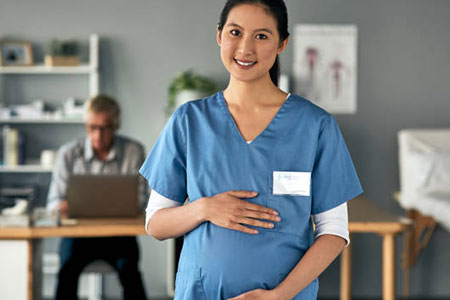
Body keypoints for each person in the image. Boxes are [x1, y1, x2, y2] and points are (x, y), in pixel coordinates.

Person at [140, 0, 363, 299]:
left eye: (261, 36)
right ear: (219, 35)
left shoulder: (315, 125)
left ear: (282, 43)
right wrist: (205, 208)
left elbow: (334, 231)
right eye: (235, 32)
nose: (245, 48)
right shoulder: (189, 121)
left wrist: (279, 296)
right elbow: (156, 223)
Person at [47, 94, 147, 300]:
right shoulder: (68, 153)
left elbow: (141, 200)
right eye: (92, 127)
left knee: (130, 272)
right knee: (66, 271)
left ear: (116, 126)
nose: (98, 135)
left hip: (119, 234)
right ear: (86, 126)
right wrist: (61, 206)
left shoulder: (133, 151)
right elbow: (53, 201)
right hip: (78, 234)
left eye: (105, 128)